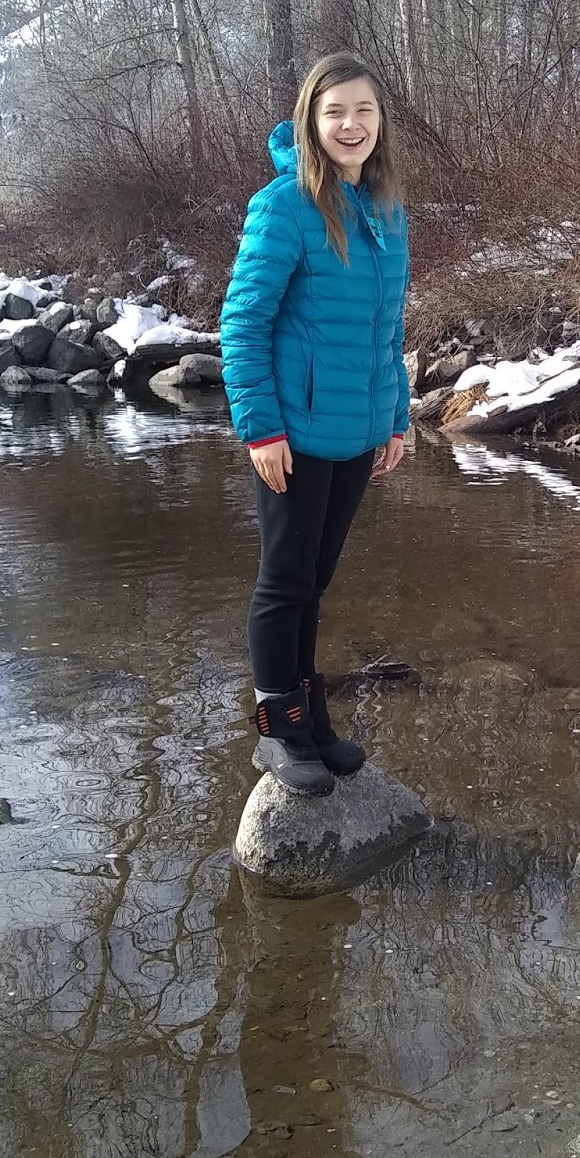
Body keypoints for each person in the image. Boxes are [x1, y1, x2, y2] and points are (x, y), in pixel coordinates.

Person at [220, 54, 411, 797]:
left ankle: (308, 720)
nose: (351, 125)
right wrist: (261, 430)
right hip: (294, 433)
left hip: (358, 430)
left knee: (315, 580)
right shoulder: (284, 206)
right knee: (284, 581)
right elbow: (243, 325)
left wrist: (395, 418)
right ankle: (277, 731)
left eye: (364, 110)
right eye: (335, 112)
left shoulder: (386, 210)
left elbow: (386, 329)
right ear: (311, 121)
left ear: (380, 120)